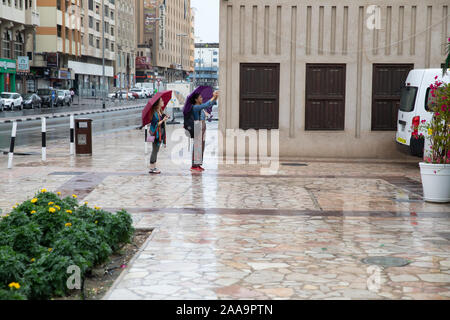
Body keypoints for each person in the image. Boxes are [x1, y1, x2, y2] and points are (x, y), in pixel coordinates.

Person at [190, 91, 219, 172]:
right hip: (197, 126)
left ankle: (198, 164)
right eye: (200, 98)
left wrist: (216, 97)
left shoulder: (200, 107)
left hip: (202, 126)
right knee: (197, 146)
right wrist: (213, 96)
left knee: (201, 145)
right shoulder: (195, 107)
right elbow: (206, 104)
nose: (202, 99)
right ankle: (194, 165)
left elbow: (210, 104)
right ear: (196, 100)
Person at [148, 97, 170, 174]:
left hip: (159, 134)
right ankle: (152, 168)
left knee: (156, 150)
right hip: (154, 134)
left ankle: (154, 166)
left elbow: (161, 119)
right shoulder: (154, 113)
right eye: (161, 101)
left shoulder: (160, 111)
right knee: (154, 150)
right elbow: (155, 124)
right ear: (158, 103)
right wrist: (163, 120)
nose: (163, 101)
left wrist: (165, 117)